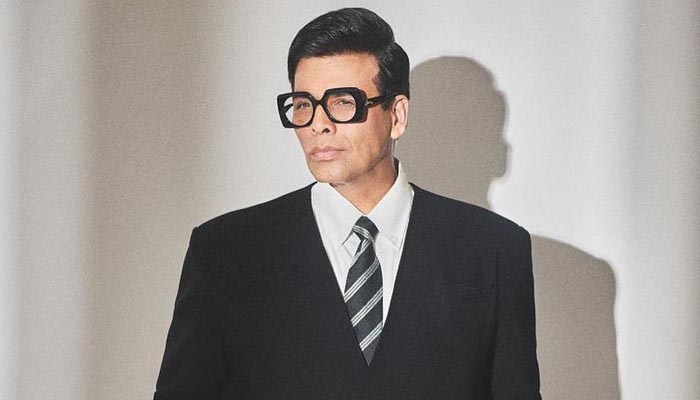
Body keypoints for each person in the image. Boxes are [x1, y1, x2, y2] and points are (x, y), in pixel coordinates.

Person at [154, 7, 541, 400]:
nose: (318, 124)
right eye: (303, 104)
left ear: (397, 115)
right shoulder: (225, 252)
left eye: (343, 102)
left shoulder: (494, 250)